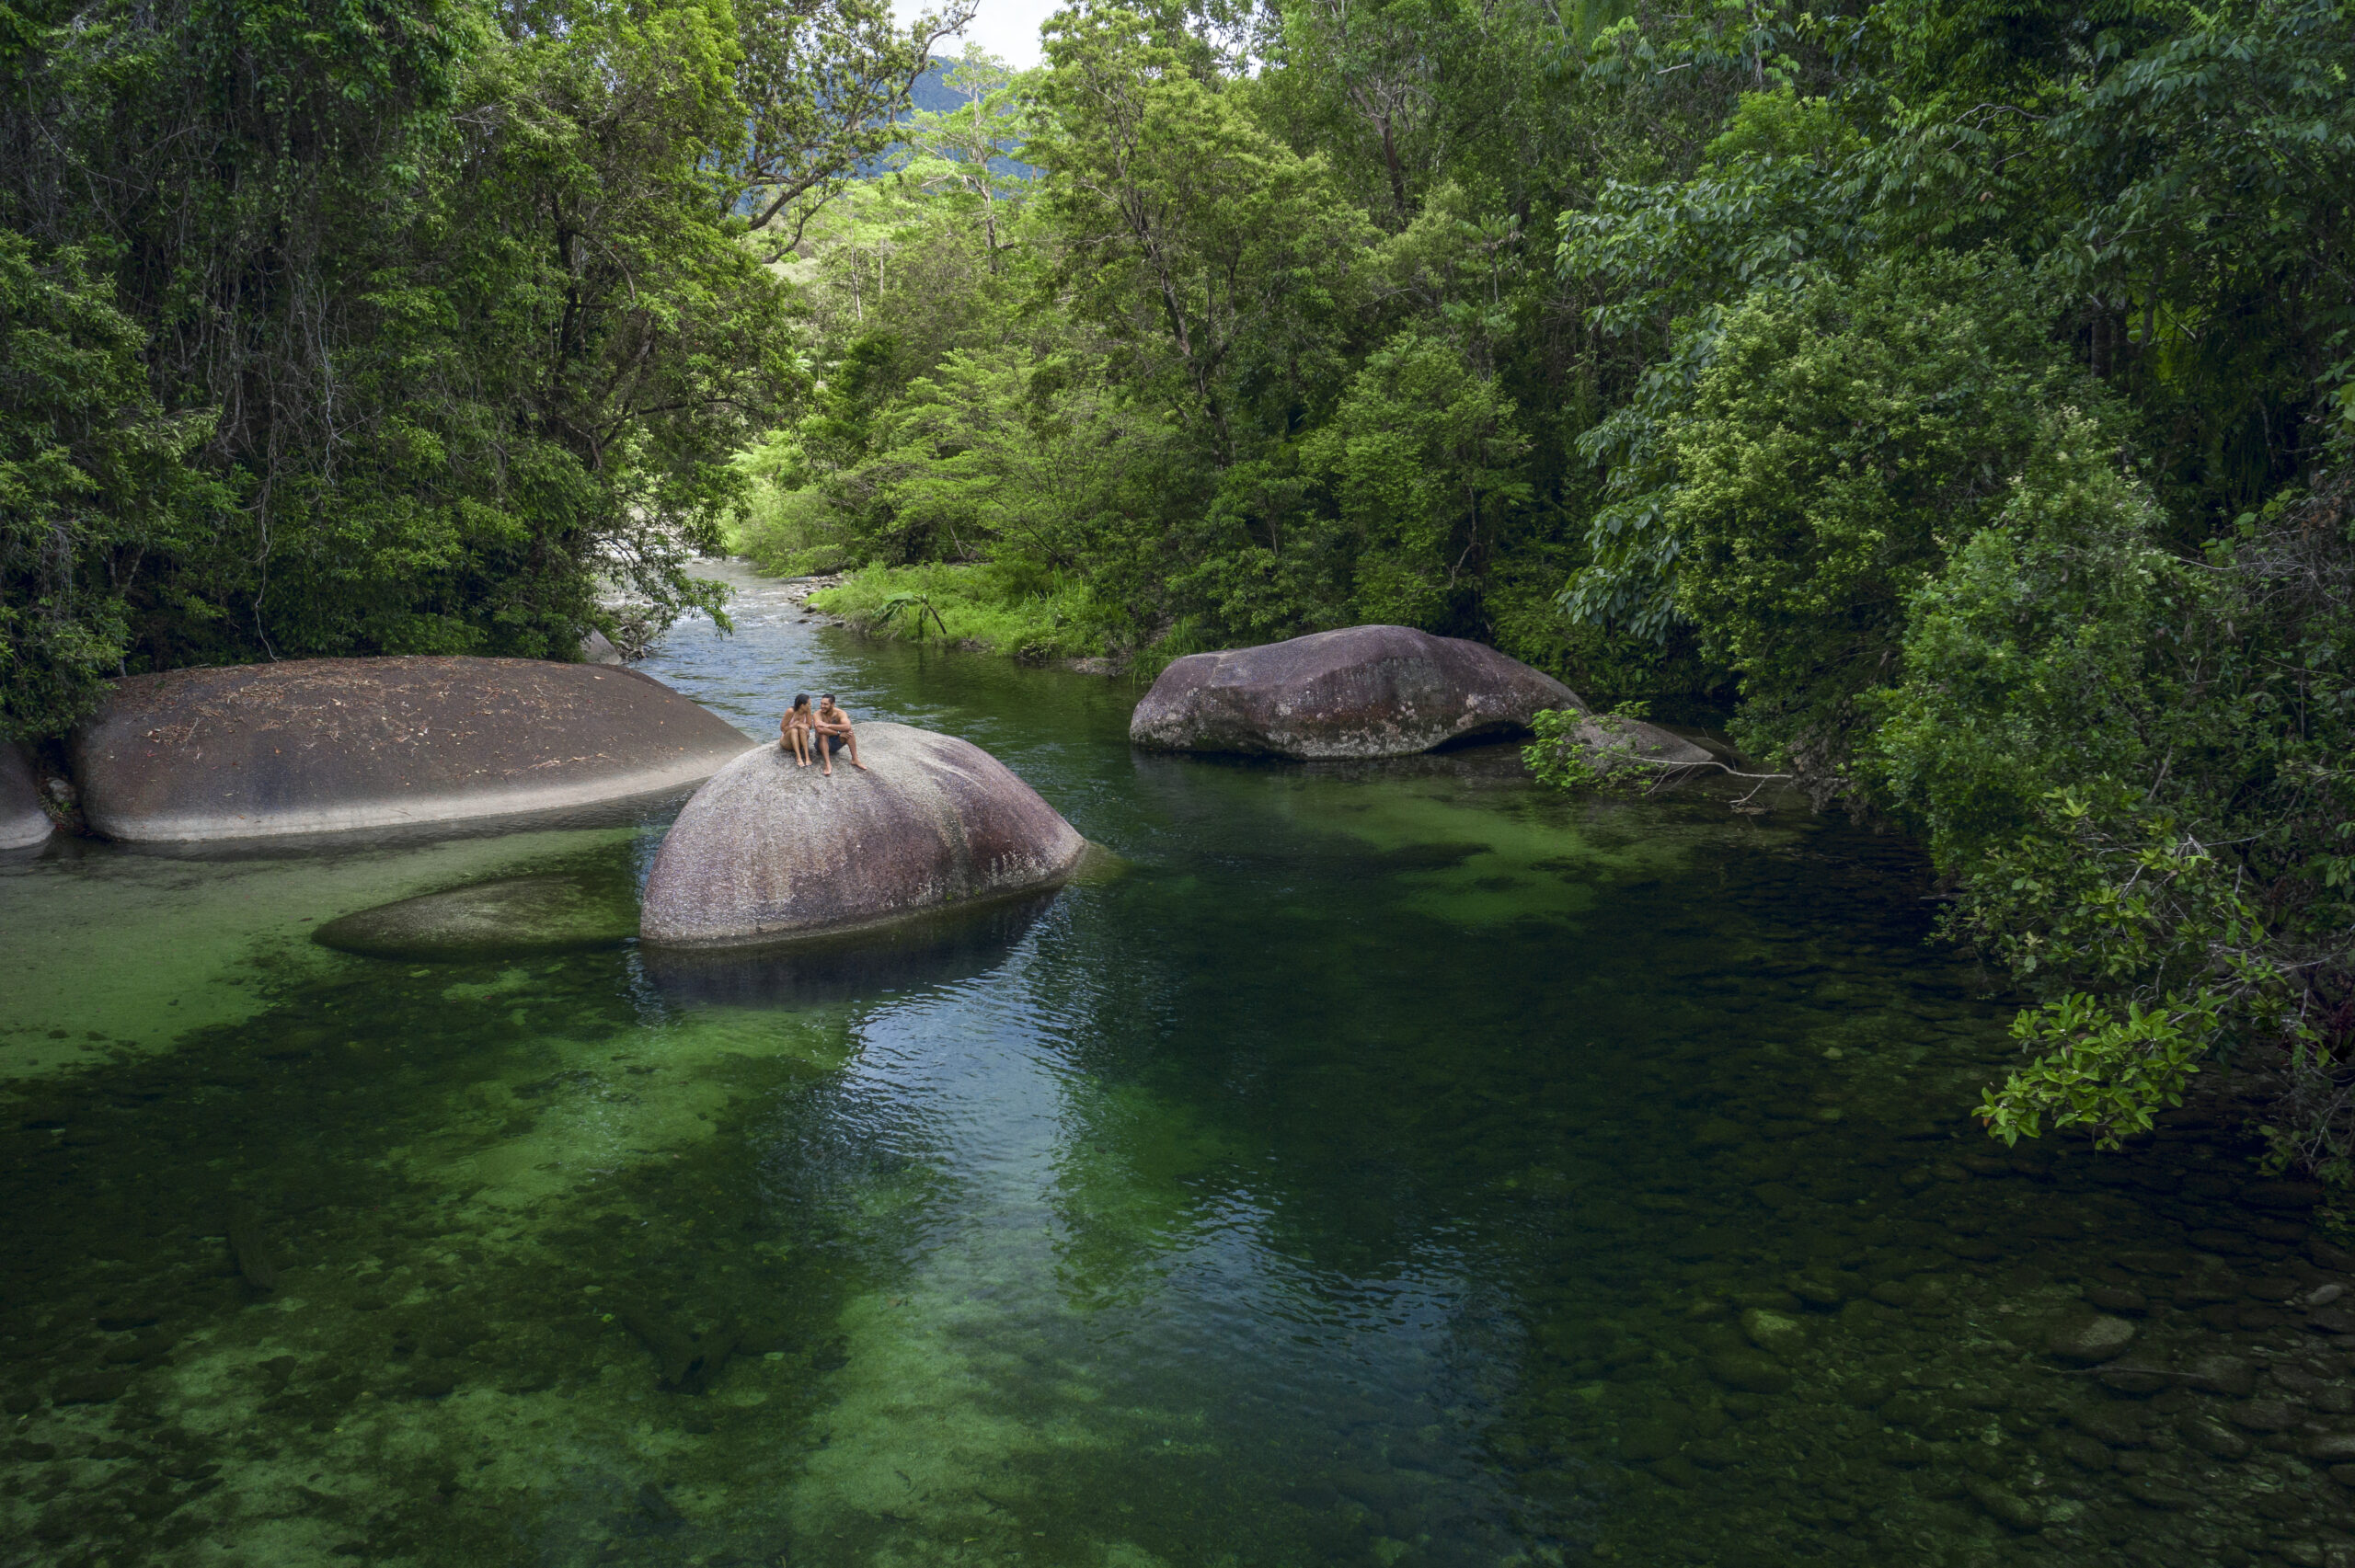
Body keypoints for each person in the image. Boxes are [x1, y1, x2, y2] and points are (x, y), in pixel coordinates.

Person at [811, 694, 866, 774]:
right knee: (823, 734)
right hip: (821, 745)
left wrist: (827, 725)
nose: (822, 706)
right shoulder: (817, 714)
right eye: (821, 703)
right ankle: (828, 764)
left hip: (835, 744)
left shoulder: (840, 713)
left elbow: (847, 726)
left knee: (849, 732)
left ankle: (855, 759)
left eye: (825, 704)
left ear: (832, 704)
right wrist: (838, 733)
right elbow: (819, 729)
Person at [780, 693, 815, 767]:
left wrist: (800, 724)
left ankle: (807, 757)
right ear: (802, 705)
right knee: (794, 730)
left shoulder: (807, 710)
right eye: (808, 704)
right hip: (788, 742)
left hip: (800, 742)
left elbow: (809, 725)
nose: (810, 706)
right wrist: (794, 725)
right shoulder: (790, 711)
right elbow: (783, 728)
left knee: (802, 729)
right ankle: (798, 757)